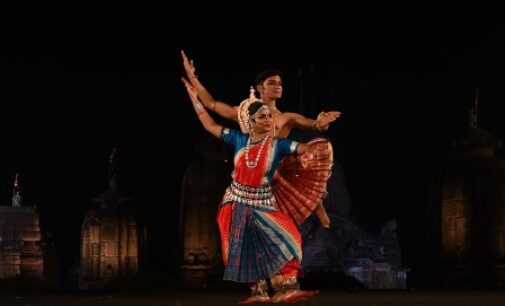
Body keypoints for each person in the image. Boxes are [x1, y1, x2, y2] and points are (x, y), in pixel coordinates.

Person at [184, 82, 323, 304]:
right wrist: (194, 99)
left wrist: (308, 154)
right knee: (244, 246)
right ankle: (258, 291)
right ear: (251, 122)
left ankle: (286, 287)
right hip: (236, 201)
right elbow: (210, 125)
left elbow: (300, 148)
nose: (269, 120)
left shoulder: (278, 144)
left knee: (291, 236)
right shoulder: (238, 139)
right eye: (262, 117)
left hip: (263, 203)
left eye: (269, 116)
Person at [181, 50, 340, 229]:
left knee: (311, 158)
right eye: (272, 83)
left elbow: (313, 125)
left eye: (280, 83)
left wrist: (321, 123)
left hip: (278, 168)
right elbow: (211, 105)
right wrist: (193, 77)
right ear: (259, 88)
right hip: (252, 172)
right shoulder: (244, 112)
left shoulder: (286, 118)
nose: (278, 86)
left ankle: (321, 214)